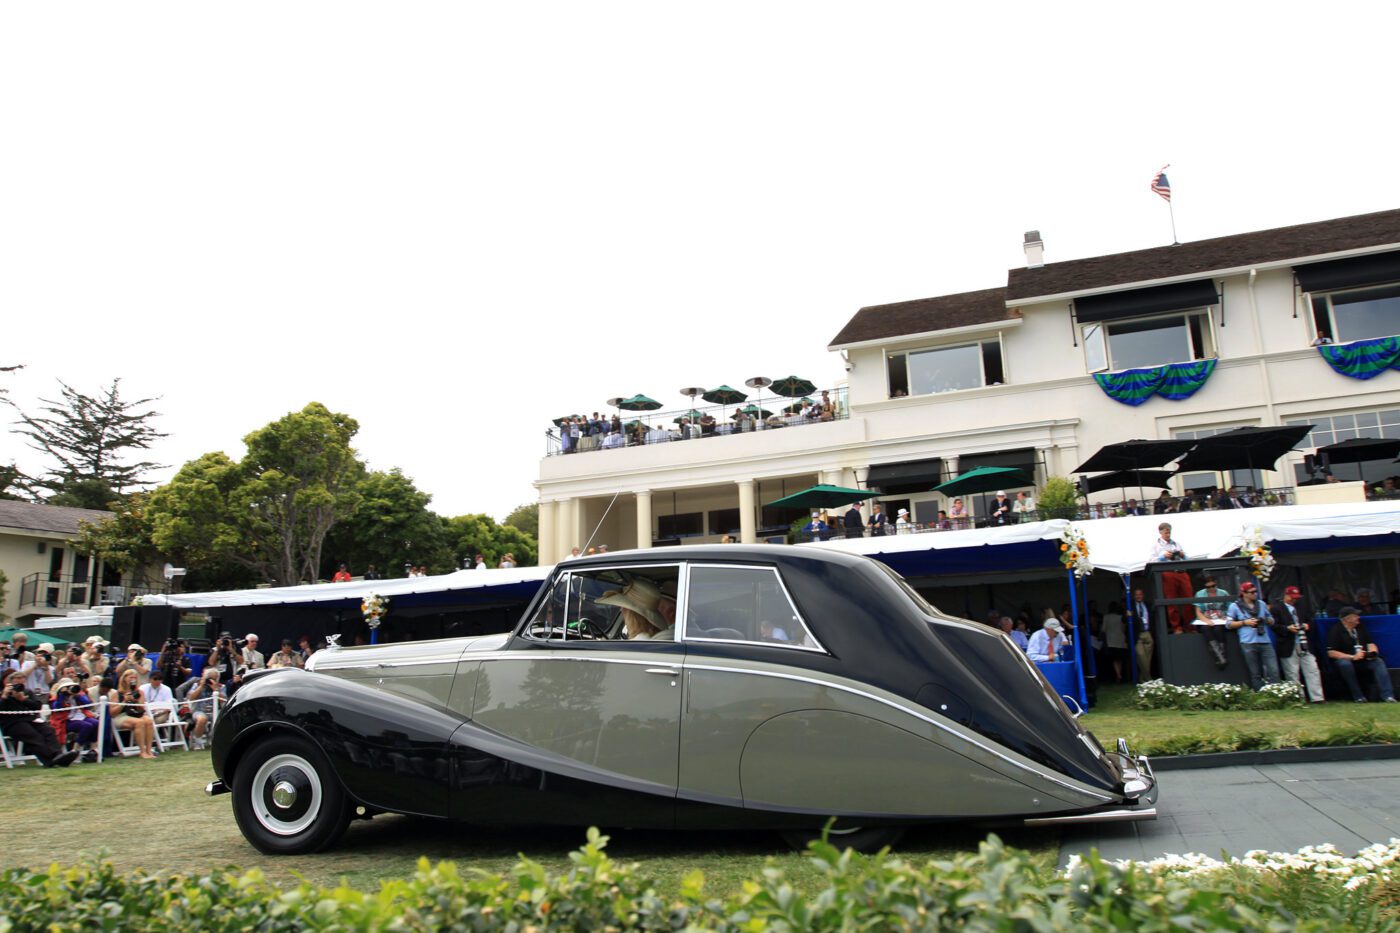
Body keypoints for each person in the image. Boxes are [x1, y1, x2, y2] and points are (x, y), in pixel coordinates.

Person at [0, 672, 76, 767]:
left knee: (48, 730)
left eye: (21, 680)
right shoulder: (4, 693)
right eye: (17, 680)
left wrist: (24, 700)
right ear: (10, 682)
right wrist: (4, 696)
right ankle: (50, 760)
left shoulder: (27, 692)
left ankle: (58, 755)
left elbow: (37, 706)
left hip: (29, 720)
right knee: (32, 735)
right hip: (11, 723)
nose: (19, 683)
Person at [1326, 607, 1396, 702]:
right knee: (1345, 664)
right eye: (1355, 616)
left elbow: (1370, 643)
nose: (1358, 617)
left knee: (1378, 662)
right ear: (1347, 619)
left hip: (1363, 659)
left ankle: (1388, 696)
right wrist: (1352, 657)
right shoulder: (1335, 631)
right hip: (1347, 659)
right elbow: (1331, 652)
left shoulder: (1360, 627)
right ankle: (1358, 696)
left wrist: (1372, 652)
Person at [1271, 585, 1324, 702]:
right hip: (1288, 644)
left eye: (1296, 597)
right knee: (1292, 672)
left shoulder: (1301, 607)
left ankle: (1317, 697)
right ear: (1286, 595)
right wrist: (1287, 628)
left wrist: (1307, 625)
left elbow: (1311, 620)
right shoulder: (1276, 609)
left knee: (1312, 669)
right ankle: (1298, 698)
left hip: (1304, 642)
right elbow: (1274, 626)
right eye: (1292, 597)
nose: (1294, 599)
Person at [1226, 581, 1279, 690]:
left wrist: (1266, 620)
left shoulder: (1261, 604)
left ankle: (1276, 692)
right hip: (1248, 642)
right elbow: (1228, 624)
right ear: (1244, 593)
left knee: (1273, 670)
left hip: (1265, 640)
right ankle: (1260, 695)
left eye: (1256, 591)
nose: (1255, 594)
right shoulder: (1235, 606)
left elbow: (1272, 620)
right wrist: (1245, 622)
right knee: (1255, 672)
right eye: (1252, 592)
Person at [1150, 523, 1192, 633]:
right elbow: (1151, 561)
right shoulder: (1156, 546)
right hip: (1168, 573)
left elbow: (1188, 559)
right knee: (1171, 601)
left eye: (1169, 532)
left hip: (1181, 572)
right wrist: (1163, 557)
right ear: (1160, 532)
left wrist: (1182, 555)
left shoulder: (1176, 544)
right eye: (1166, 532)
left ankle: (1190, 627)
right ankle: (1176, 627)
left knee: (1189, 599)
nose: (1168, 534)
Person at [108, 668, 157, 758]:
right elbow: (112, 713)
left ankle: (149, 750)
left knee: (149, 721)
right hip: (120, 716)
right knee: (139, 722)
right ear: (124, 679)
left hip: (135, 714)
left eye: (135, 678)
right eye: (130, 678)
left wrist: (136, 701)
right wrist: (124, 701)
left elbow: (141, 709)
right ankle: (142, 752)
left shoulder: (139, 692)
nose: (133, 680)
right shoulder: (117, 693)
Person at [597, 580, 667, 640]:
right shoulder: (655, 637)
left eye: (624, 607)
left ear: (631, 613)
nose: (621, 610)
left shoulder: (639, 642)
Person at [49, 677, 99, 760]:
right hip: (65, 721)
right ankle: (75, 750)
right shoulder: (56, 697)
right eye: (67, 687)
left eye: (70, 686)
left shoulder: (77, 693)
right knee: (86, 726)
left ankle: (93, 750)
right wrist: (62, 694)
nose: (70, 688)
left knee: (96, 723)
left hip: (79, 716)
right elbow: (58, 707)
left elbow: (87, 704)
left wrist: (77, 695)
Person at [1194, 573, 1232, 668]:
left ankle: (1222, 655)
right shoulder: (1199, 594)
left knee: (1218, 629)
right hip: (1206, 619)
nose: (1211, 588)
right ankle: (1219, 656)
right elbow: (1198, 612)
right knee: (1205, 629)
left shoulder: (1223, 593)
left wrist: (1226, 616)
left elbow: (1231, 608)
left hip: (1221, 619)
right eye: (1208, 587)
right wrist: (1206, 620)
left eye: (1213, 586)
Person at [187, 671, 226, 745]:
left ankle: (214, 739)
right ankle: (198, 741)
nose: (211, 681)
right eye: (210, 678)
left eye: (214, 679)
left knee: (223, 719)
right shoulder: (196, 685)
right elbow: (191, 698)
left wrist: (215, 689)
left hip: (215, 711)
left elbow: (223, 700)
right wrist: (201, 686)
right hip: (199, 710)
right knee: (202, 719)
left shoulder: (221, 686)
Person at [1129, 587, 1154, 678]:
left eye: (1140, 594)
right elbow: (1125, 620)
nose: (1138, 596)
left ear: (1143, 595)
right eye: (1136, 594)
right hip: (1138, 634)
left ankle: (1142, 678)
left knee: (1148, 658)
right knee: (1141, 656)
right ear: (1134, 596)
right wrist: (1128, 615)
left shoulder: (1147, 605)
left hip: (1147, 633)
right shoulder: (1130, 606)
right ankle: (1148, 678)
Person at [1102, 602, 1128, 682]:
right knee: (1120, 659)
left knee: (1114, 659)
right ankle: (1119, 674)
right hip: (1121, 640)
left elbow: (1103, 629)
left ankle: (1118, 675)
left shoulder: (1106, 617)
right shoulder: (1121, 617)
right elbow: (1124, 629)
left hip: (1111, 640)